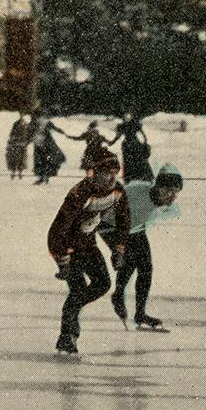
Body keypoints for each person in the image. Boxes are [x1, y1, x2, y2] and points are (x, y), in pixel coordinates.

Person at [47, 150, 130, 355]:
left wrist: (118, 250)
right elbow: (57, 229)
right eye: (107, 173)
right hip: (69, 246)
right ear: (95, 173)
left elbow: (124, 221)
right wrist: (62, 259)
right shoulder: (80, 193)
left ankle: (70, 312)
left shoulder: (118, 191)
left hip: (88, 244)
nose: (112, 178)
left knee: (103, 284)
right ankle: (68, 335)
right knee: (78, 289)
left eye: (116, 172)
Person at [102, 164, 184, 330]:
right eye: (168, 191)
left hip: (135, 226)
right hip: (109, 225)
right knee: (130, 259)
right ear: (158, 187)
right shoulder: (137, 195)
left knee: (146, 267)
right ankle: (118, 295)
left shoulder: (168, 206)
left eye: (176, 192)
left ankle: (140, 313)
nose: (172, 196)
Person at [115, 112, 153, 183]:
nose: (126, 119)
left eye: (127, 117)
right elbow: (143, 136)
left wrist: (111, 142)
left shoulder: (125, 126)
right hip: (133, 144)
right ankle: (143, 176)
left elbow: (118, 136)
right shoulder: (134, 125)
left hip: (129, 145)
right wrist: (144, 143)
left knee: (130, 161)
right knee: (138, 160)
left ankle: (130, 177)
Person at [5, 115, 30, 180]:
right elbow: (12, 134)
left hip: (19, 145)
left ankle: (18, 173)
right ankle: (16, 173)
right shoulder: (20, 124)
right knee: (17, 159)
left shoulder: (25, 125)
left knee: (19, 159)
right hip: (17, 144)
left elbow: (27, 135)